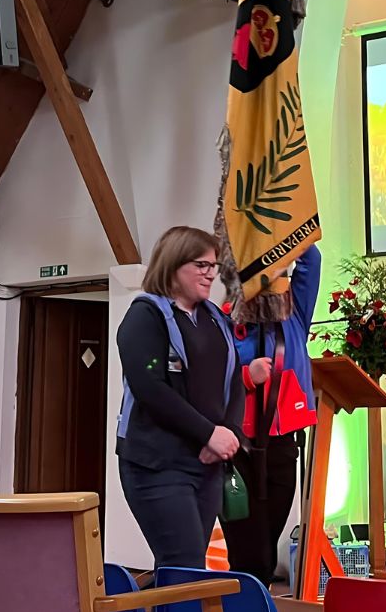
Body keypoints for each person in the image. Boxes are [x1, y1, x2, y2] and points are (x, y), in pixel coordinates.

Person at [116, 226, 244, 570]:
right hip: (157, 464)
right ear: (173, 265)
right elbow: (151, 388)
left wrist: (229, 431)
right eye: (201, 265)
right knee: (181, 561)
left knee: (187, 566)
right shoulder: (146, 315)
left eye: (213, 265)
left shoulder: (215, 318)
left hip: (205, 464)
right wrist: (207, 433)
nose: (210, 274)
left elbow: (234, 377)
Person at [222, 244, 321, 586]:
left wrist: (283, 235)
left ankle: (253, 610)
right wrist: (248, 376)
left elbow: (311, 260)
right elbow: (207, 380)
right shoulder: (223, 318)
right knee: (247, 550)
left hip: (281, 444)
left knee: (267, 541)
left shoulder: (294, 314)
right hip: (238, 447)